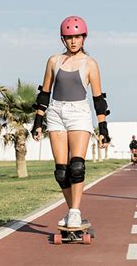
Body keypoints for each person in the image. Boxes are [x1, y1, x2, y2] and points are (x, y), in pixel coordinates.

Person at [31, 16, 111, 228]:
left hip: (79, 113)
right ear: (62, 39)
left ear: (84, 38)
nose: (73, 41)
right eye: (69, 38)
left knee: (77, 166)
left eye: (77, 37)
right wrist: (38, 121)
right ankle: (71, 211)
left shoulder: (90, 64)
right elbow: (44, 93)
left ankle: (74, 212)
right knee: (61, 171)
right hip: (56, 112)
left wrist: (103, 128)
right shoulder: (53, 61)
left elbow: (98, 99)